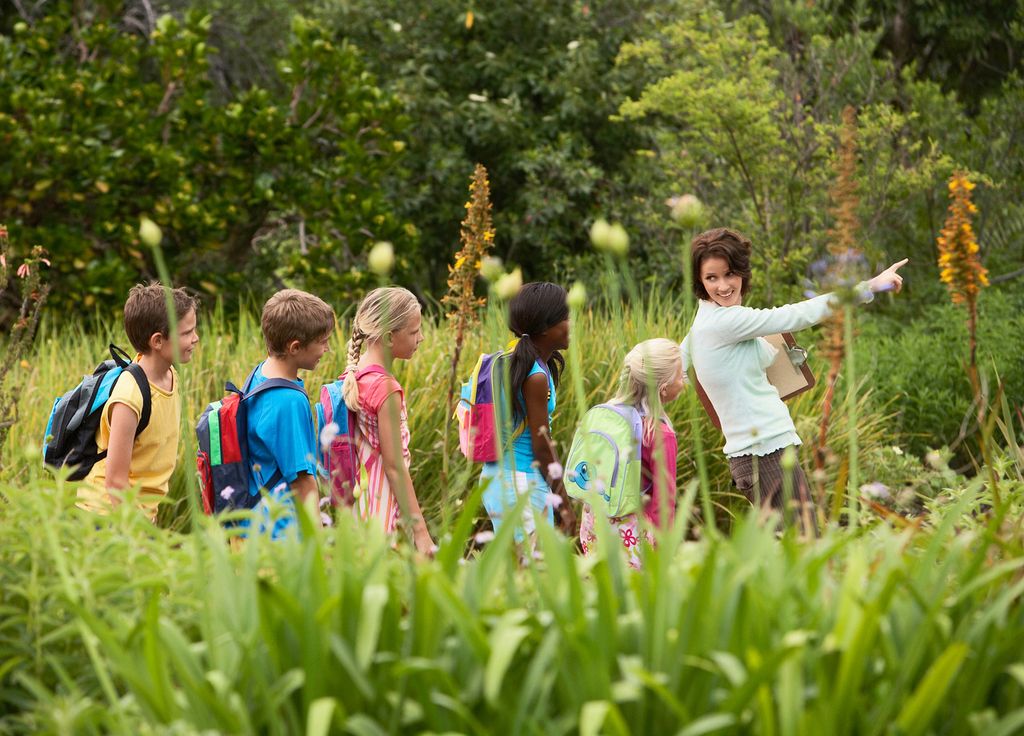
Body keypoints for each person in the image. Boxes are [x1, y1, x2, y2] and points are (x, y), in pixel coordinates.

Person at [680, 227, 907, 530]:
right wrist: (870, 286)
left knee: (794, 554)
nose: (723, 286)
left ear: (743, 273)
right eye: (712, 278)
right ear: (700, 281)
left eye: (730, 274)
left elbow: (674, 362)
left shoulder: (706, 322)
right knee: (803, 548)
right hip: (764, 455)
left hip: (764, 453)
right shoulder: (724, 322)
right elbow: (797, 314)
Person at [78, 283, 200, 521]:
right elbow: (115, 482)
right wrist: (138, 533)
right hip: (106, 516)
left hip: (139, 512)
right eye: (187, 333)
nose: (195, 339)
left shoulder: (169, 374)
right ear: (157, 341)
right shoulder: (129, 397)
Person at [342, 286, 435, 555]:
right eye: (414, 332)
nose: (422, 338)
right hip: (383, 508)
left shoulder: (354, 378)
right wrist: (421, 533)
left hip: (359, 503)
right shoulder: (385, 388)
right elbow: (395, 468)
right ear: (389, 337)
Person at [578, 338, 686, 568]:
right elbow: (662, 502)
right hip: (633, 534)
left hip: (594, 522)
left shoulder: (607, 416)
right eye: (680, 375)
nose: (683, 380)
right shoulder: (659, 434)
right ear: (664, 389)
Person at [481, 282, 577, 541]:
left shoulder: (515, 362)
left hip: (496, 478)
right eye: (566, 317)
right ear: (546, 328)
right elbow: (541, 446)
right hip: (520, 482)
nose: (572, 323)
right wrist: (565, 506)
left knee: (518, 572)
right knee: (534, 573)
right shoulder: (534, 376)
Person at [245, 288, 334, 538]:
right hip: (281, 531)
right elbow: (303, 481)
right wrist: (318, 547)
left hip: (254, 521)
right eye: (323, 342)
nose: (327, 349)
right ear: (295, 347)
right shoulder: (289, 400)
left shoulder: (260, 374)